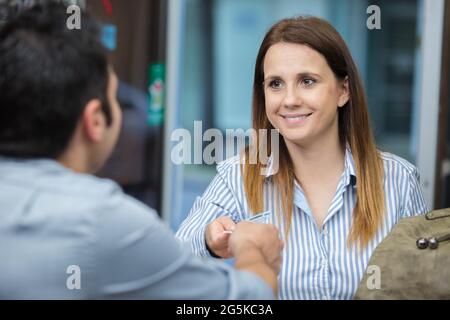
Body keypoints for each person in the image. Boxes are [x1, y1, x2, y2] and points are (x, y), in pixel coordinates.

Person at [0, 3, 283, 299]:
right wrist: (252, 250)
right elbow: (250, 301)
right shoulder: (105, 222)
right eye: (116, 97)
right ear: (95, 121)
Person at [175, 16, 429, 300]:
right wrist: (210, 243)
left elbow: (421, 287)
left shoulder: (398, 181)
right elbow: (174, 266)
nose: (290, 99)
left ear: (343, 90)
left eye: (307, 81)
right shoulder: (238, 177)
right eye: (275, 84)